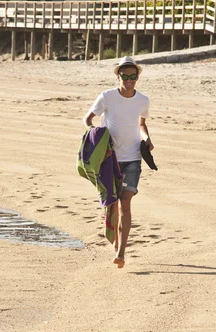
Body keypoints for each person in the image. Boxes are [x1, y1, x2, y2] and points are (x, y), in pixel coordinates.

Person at [82, 56, 153, 269]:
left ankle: (121, 252)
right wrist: (97, 138)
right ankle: (115, 239)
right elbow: (87, 119)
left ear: (138, 77)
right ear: (118, 75)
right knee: (111, 205)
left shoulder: (143, 100)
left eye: (133, 76)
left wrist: (147, 138)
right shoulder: (107, 97)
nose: (129, 80)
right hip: (109, 159)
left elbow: (141, 124)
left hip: (132, 159)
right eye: (125, 75)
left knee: (125, 205)